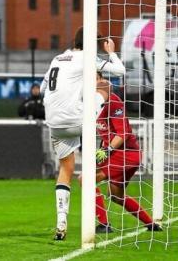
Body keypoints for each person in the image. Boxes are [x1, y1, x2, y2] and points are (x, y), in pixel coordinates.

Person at [41, 28, 125, 241]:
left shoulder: (57, 58)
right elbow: (120, 71)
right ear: (93, 44)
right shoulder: (87, 58)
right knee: (104, 85)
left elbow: (43, 88)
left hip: (54, 121)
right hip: (79, 120)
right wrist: (111, 52)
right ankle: (100, 142)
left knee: (65, 168)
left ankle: (61, 221)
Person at [89, 75, 162, 233]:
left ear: (101, 80)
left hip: (125, 154)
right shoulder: (93, 103)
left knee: (86, 180)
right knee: (116, 196)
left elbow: (122, 134)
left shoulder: (112, 101)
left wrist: (107, 150)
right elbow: (106, 131)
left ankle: (104, 225)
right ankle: (151, 225)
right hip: (124, 154)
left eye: (95, 78)